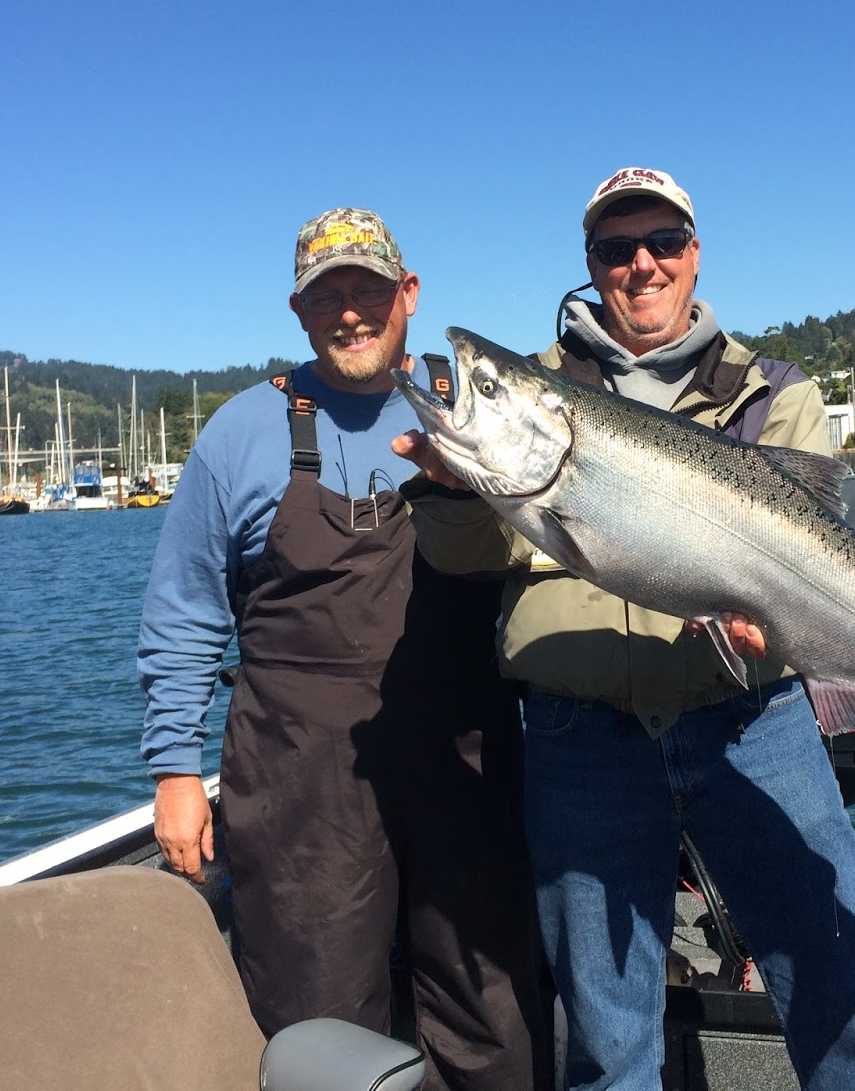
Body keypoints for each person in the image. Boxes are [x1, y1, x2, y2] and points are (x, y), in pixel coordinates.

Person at [396, 169, 855, 1091]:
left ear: (694, 254)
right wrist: (453, 491)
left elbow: (824, 558)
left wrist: (793, 635)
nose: (642, 264)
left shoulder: (773, 391)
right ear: (591, 265)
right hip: (579, 740)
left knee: (844, 1001)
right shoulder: (540, 388)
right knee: (607, 1039)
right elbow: (467, 558)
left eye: (663, 242)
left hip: (755, 725)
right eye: (615, 248)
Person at [138, 208, 549, 1091]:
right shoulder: (241, 433)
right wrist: (175, 769)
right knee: (316, 1022)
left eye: (369, 289)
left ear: (410, 294)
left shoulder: (481, 412)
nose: (351, 313)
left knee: (493, 1014)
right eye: (328, 297)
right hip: (300, 779)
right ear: (298, 311)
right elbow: (183, 611)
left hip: (465, 759)